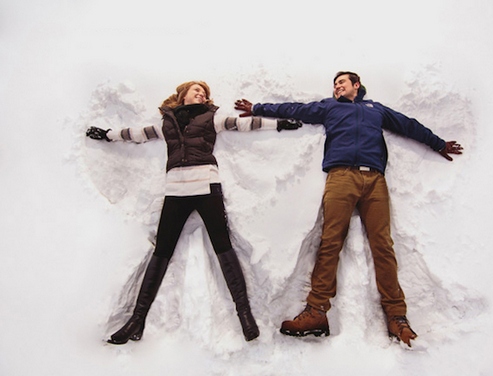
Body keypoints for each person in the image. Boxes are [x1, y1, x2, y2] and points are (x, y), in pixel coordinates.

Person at [234, 71, 462, 347]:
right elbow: (296, 109)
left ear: (356, 85)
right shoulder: (329, 107)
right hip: (341, 177)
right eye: (334, 84)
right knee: (331, 241)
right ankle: (316, 311)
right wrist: (258, 108)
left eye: (341, 82)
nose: (336, 86)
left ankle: (397, 317)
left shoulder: (375, 110)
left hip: (375, 180)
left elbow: (407, 125)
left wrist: (438, 144)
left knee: (383, 245)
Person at [86, 80, 301, 344]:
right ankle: (136, 320)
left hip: (206, 185)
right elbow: (137, 134)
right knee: (161, 251)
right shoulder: (165, 123)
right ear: (183, 94)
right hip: (175, 191)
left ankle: (245, 315)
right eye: (197, 90)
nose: (202, 94)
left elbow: (243, 124)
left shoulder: (211, 118)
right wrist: (108, 134)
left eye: (205, 92)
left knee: (223, 246)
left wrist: (278, 123)